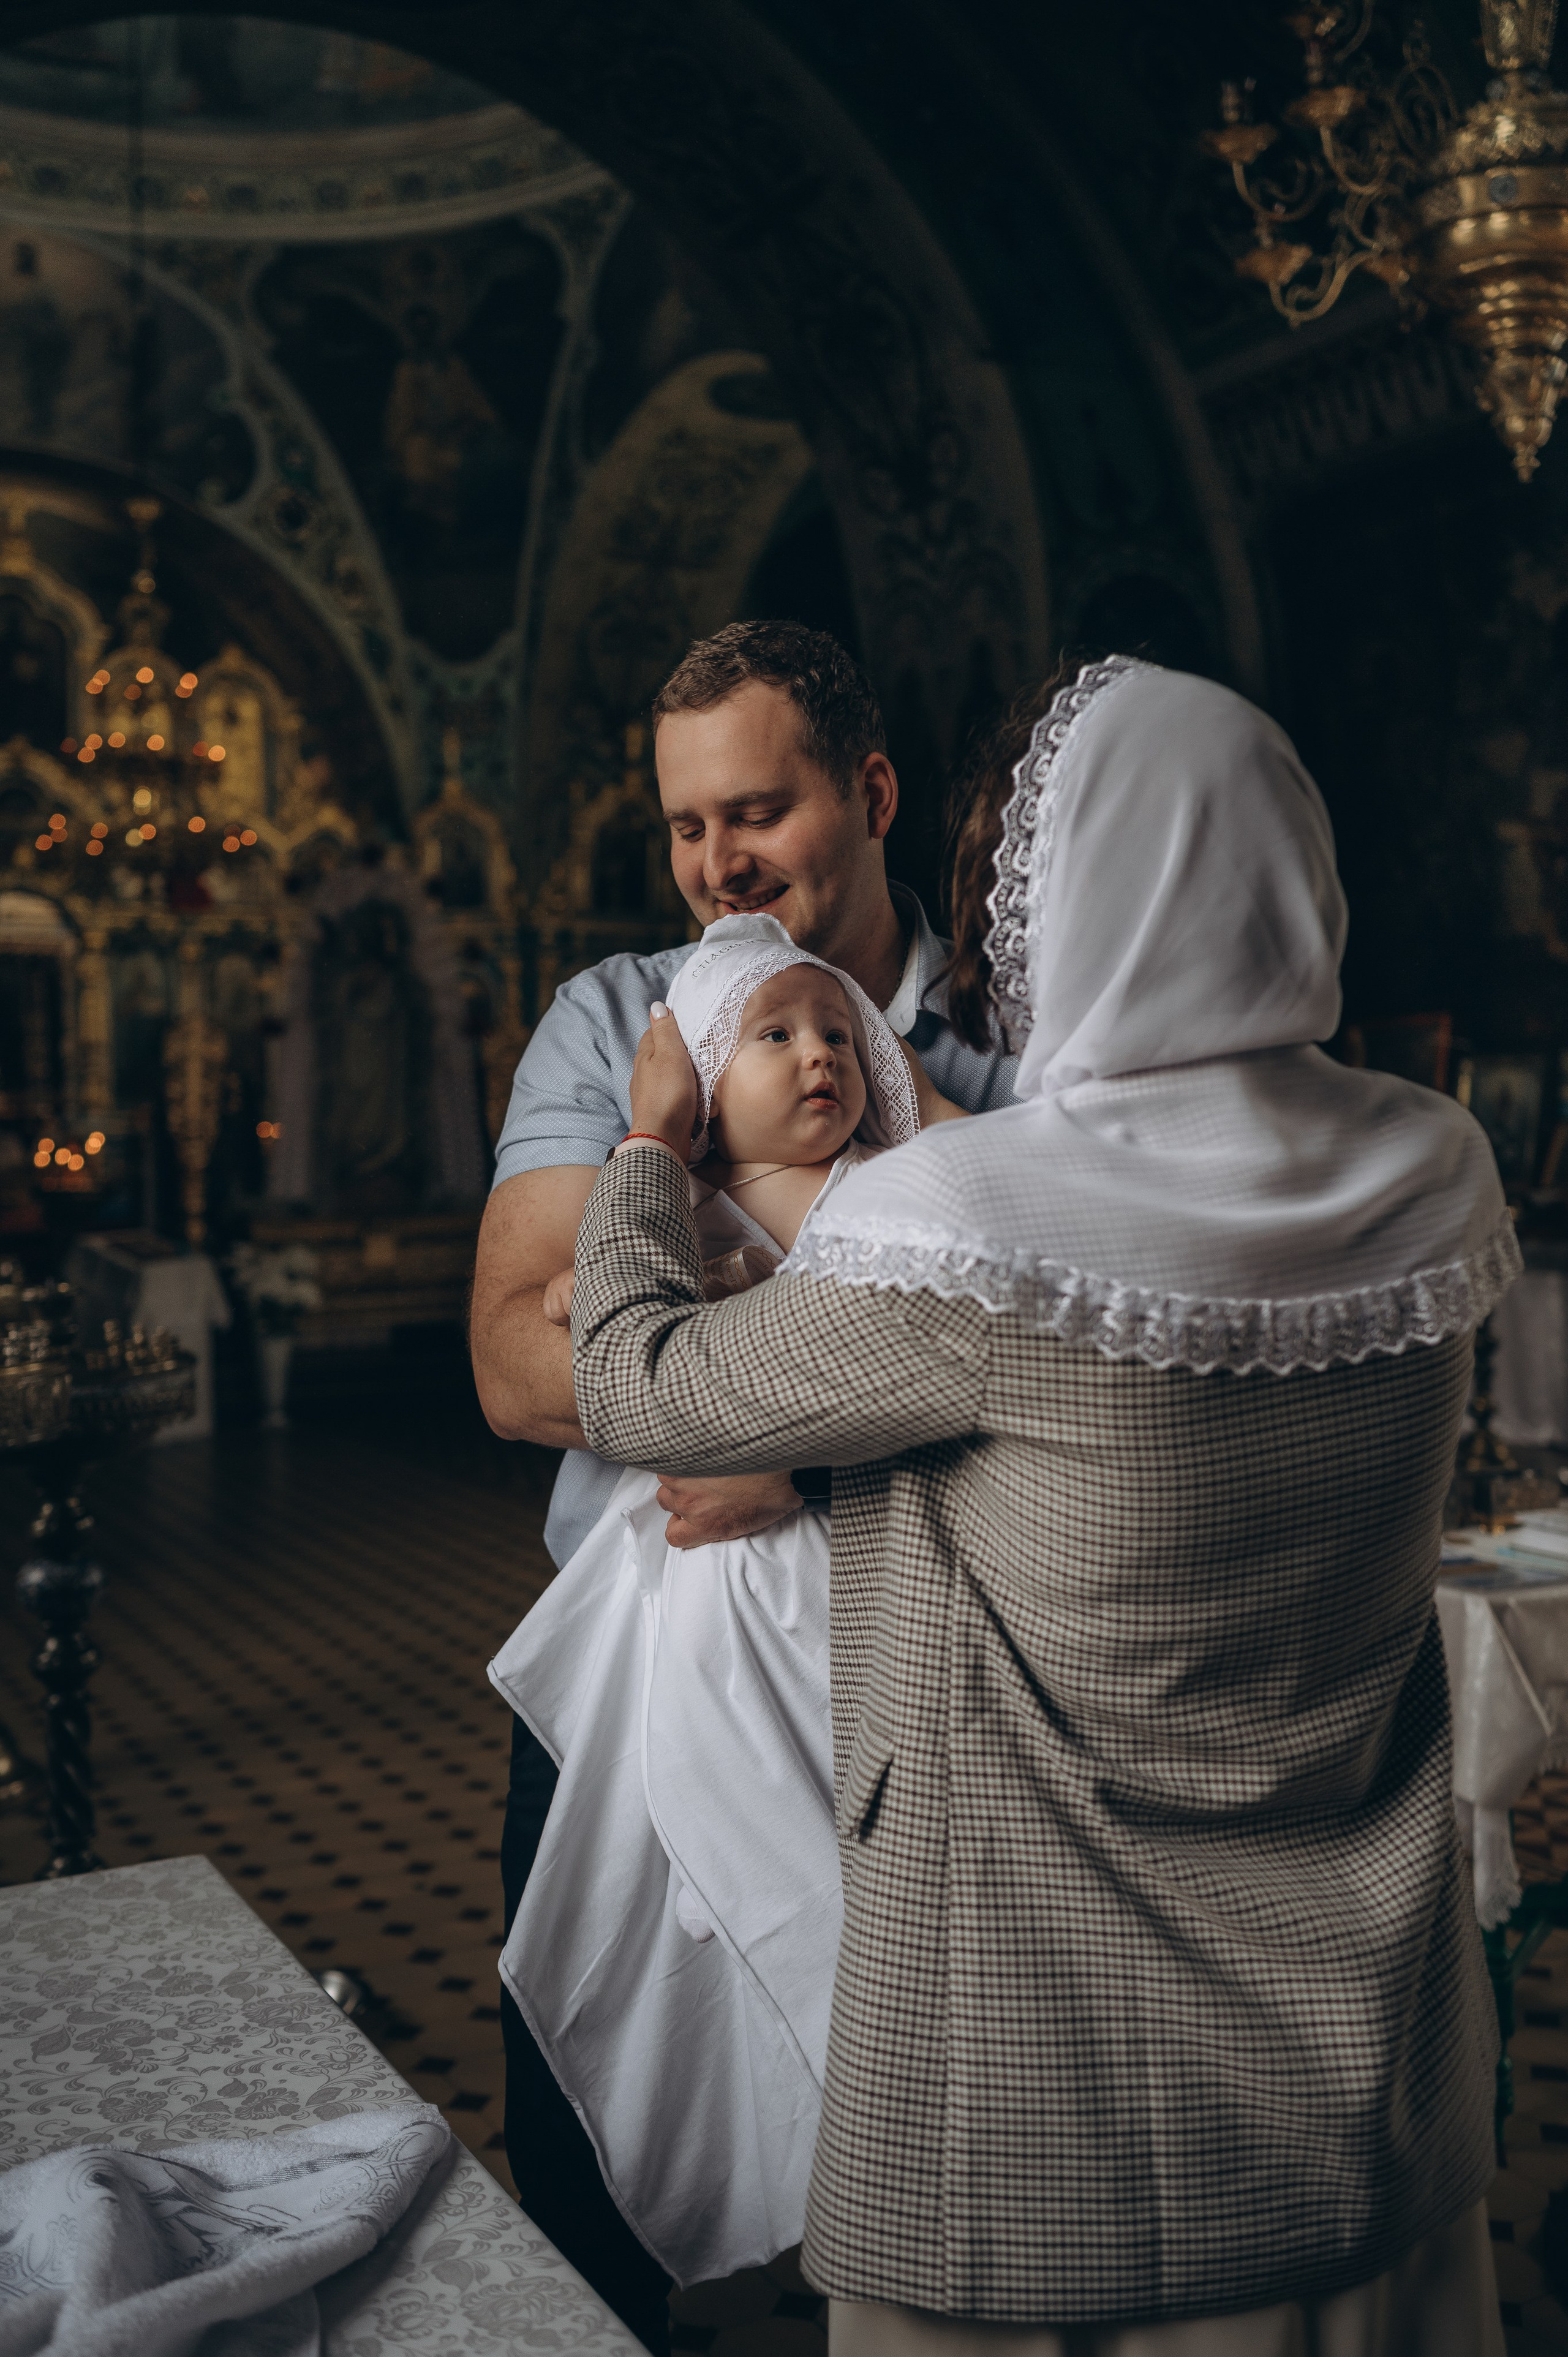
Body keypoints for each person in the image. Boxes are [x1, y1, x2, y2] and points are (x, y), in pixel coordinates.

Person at [567, 655, 1518, 2354]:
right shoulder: (1434, 1169)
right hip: (1373, 2062)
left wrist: (648, 1148)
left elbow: (641, 1386)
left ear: (1087, 909)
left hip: (1055, 2097)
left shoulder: (971, 1221)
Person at [470, 621, 1014, 2350]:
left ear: (872, 794)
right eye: (687, 826)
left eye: (758, 812)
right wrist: (826, 1387)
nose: (719, 865)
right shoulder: (618, 1018)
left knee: (940, 2161)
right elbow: (519, 1359)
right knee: (588, 2156)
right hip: (637, 1664)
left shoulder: (1005, 1033)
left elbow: (1075, 1360)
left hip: (943, 1680)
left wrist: (783, 1427)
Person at [490, 912, 957, 2288]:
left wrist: (780, 1438)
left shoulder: (878, 1195)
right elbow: (553, 1335)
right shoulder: (681, 1198)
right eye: (775, 1036)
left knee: (840, 1928)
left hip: (845, 1618)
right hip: (670, 1598)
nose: (819, 1057)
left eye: (841, 1037)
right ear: (701, 1081)